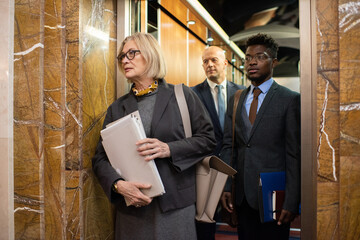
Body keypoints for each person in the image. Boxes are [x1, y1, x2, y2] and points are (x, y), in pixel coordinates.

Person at [92, 32, 216, 240]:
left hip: (175, 208)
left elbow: (208, 140)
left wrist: (169, 149)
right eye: (122, 56)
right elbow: (100, 158)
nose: (124, 60)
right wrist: (118, 185)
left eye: (131, 53)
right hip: (133, 210)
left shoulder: (182, 96)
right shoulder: (117, 107)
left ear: (150, 55)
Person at [220, 33, 300, 240]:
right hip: (243, 196)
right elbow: (229, 146)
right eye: (247, 58)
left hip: (273, 195)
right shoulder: (236, 99)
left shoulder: (289, 100)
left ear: (274, 62)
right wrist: (227, 186)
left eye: (260, 56)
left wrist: (292, 201)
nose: (252, 62)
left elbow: (294, 154)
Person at [192, 46, 244, 240]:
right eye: (205, 61)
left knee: (241, 221)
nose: (209, 64)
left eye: (213, 60)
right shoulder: (193, 94)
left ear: (225, 63)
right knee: (205, 223)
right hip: (206, 168)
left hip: (236, 166)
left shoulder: (242, 93)